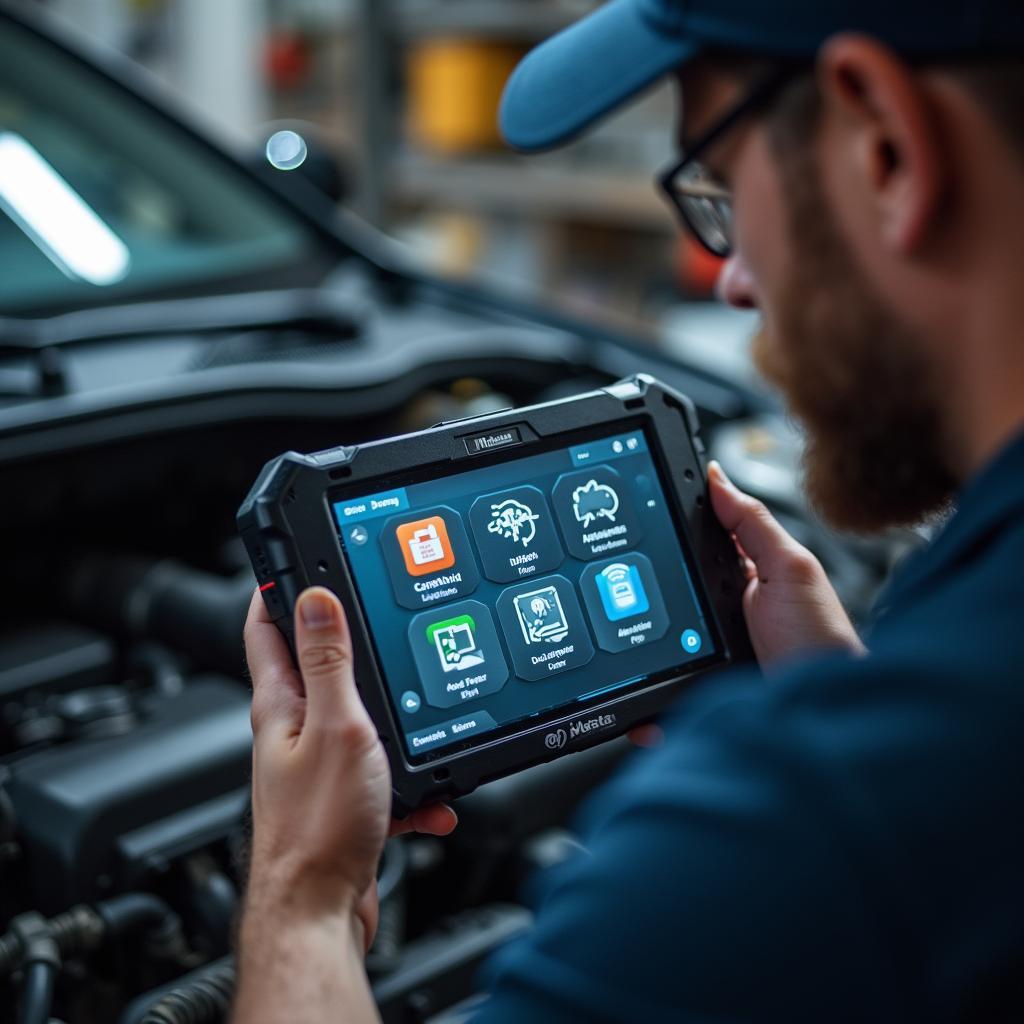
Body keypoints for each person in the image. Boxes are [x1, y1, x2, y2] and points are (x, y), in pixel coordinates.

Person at [233, 0, 1024, 1019]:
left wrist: (301, 894)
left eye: (723, 191)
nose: (733, 282)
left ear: (885, 146)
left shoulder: (816, 820)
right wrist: (842, 705)